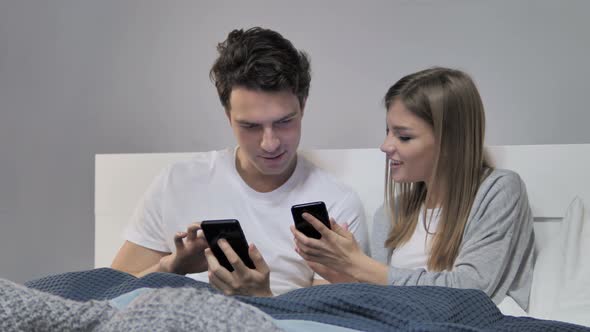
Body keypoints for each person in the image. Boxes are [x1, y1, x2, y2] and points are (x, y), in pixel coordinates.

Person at [110, 27, 369, 297]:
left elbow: (331, 320)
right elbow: (112, 294)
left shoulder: (337, 205)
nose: (270, 143)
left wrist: (260, 297)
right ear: (228, 116)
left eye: (283, 122)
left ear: (302, 106)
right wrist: (171, 267)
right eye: (251, 126)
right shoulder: (176, 183)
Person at [291, 67, 535, 311]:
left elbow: (471, 290)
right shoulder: (391, 213)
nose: (385, 146)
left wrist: (360, 264)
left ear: (451, 141)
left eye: (404, 137)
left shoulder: (499, 190)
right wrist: (341, 274)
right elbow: (384, 300)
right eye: (388, 132)